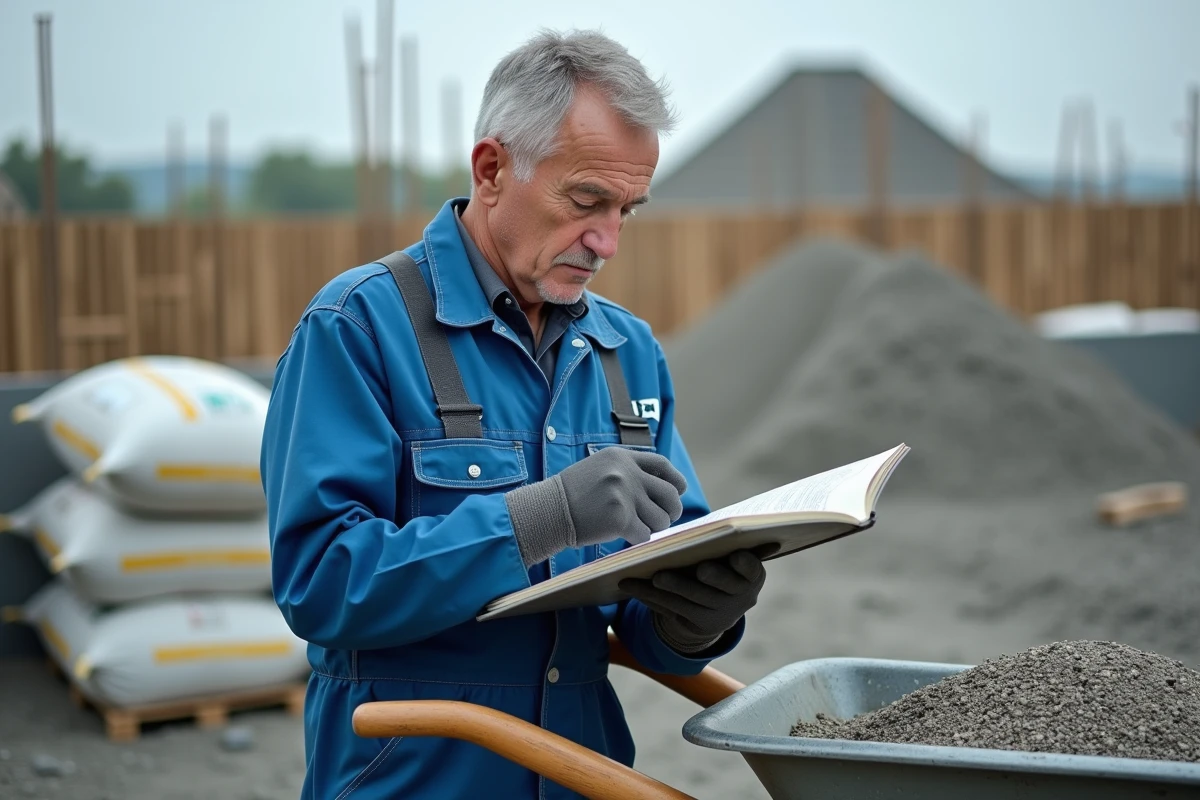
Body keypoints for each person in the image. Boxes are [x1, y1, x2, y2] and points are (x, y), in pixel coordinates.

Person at [261, 28, 771, 800]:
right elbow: (322, 588)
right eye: (586, 201)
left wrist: (696, 619)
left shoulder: (628, 352)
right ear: (492, 169)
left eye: (628, 209)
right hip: (411, 781)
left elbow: (655, 620)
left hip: (584, 777)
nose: (607, 241)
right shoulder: (358, 327)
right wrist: (542, 517)